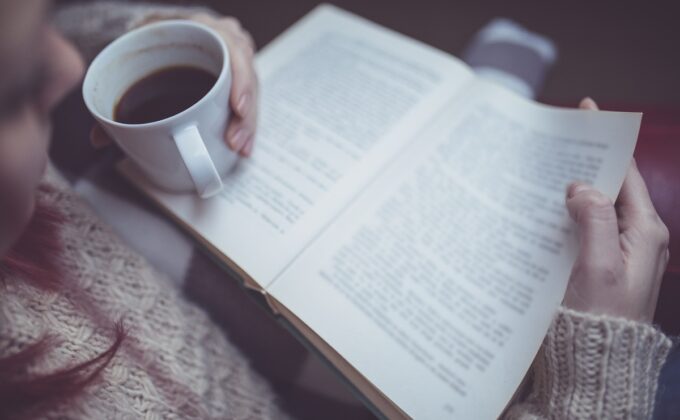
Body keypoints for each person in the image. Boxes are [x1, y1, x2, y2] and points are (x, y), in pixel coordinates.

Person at [0, 1, 671, 419]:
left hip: (213, 331)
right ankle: (489, 86)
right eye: (18, 87)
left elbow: (66, 26)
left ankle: (476, 97)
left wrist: (159, 31)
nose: (64, 70)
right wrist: (594, 379)